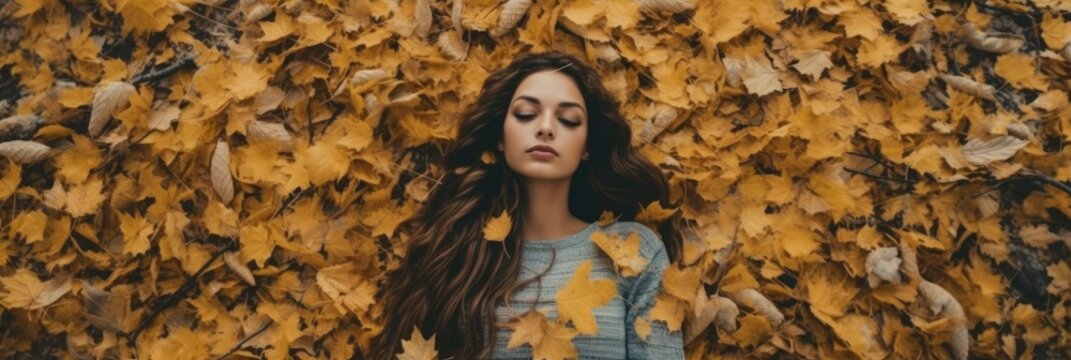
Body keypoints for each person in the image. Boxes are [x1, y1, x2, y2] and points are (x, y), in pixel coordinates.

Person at [367, 51, 686, 359]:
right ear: (501, 139)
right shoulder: (456, 250)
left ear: (587, 146)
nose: (546, 127)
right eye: (526, 114)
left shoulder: (632, 249)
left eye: (568, 119)